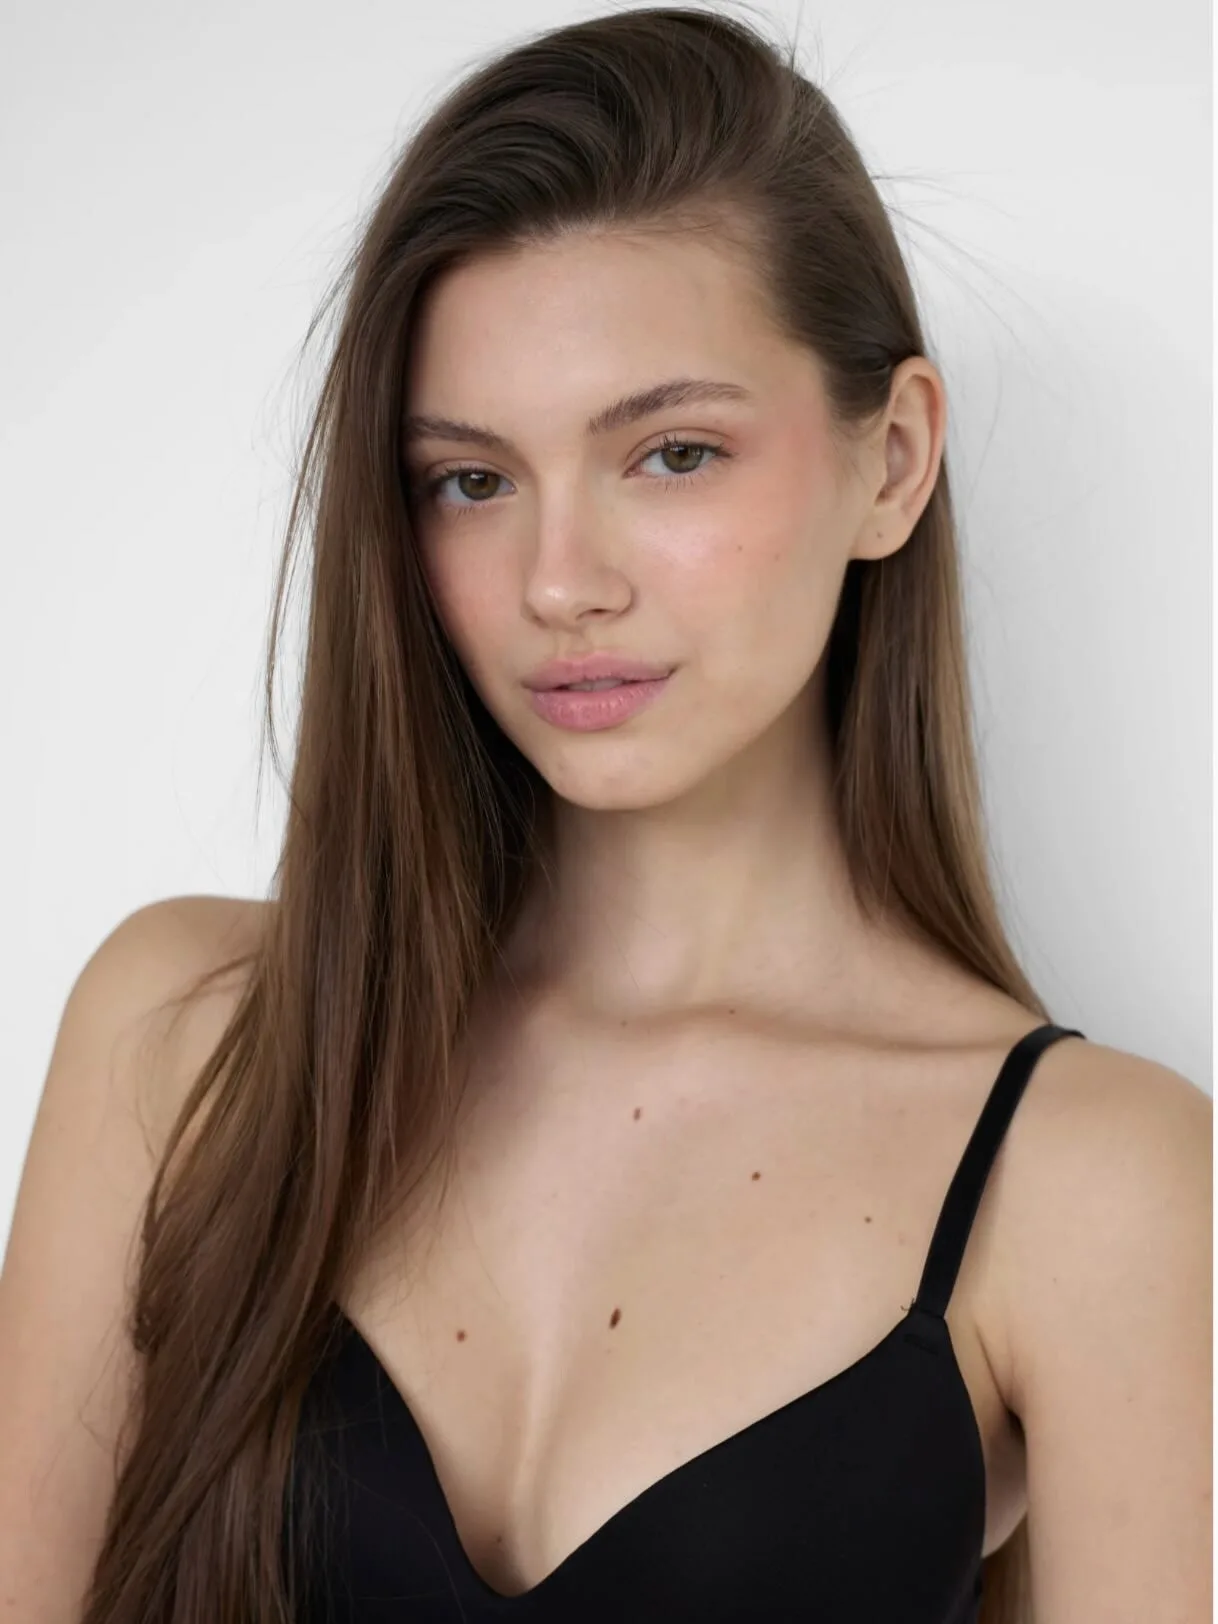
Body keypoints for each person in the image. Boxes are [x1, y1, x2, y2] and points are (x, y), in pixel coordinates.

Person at [0, 7, 1209, 1624]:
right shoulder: (189, 1037)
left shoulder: (1093, 1184)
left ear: (891, 461)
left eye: (671, 453)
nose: (559, 583)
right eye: (471, 480)